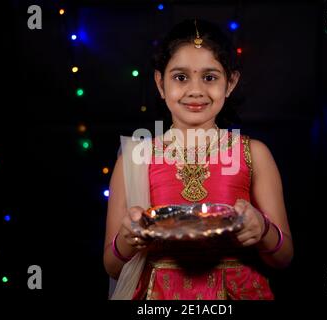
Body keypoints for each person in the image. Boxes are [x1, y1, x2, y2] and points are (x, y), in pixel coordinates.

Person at [103, 18, 293, 300]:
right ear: (160, 83)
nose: (196, 90)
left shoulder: (254, 154)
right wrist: (128, 239)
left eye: (210, 77)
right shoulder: (135, 159)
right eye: (180, 77)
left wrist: (263, 229)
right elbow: (113, 267)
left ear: (230, 83)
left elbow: (284, 257)